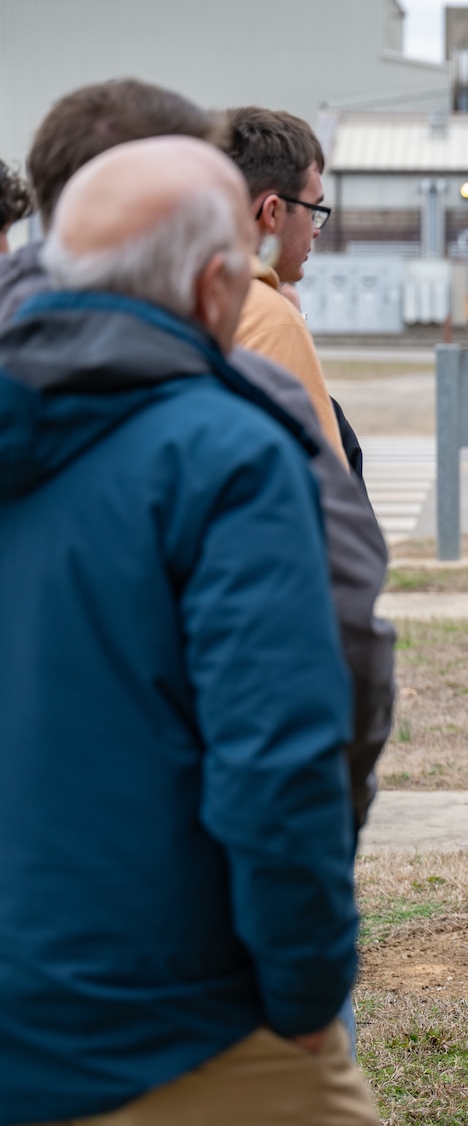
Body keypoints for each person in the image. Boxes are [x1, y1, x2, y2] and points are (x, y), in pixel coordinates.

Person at [0, 137, 377, 1124]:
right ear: (218, 285)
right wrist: (304, 992)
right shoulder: (226, 453)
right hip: (167, 1022)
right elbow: (278, 757)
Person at [1, 79, 396, 832]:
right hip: (167, 865)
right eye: (310, 209)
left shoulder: (29, 354)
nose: (314, 229)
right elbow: (333, 590)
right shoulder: (239, 385)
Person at [220, 106, 348, 470]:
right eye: (313, 209)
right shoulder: (269, 319)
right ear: (272, 212)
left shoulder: (164, 295)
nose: (317, 229)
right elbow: (324, 493)